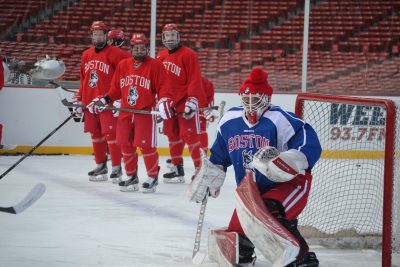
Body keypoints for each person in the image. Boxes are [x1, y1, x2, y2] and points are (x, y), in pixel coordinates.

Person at [188, 68, 322, 266]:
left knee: (269, 211)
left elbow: (309, 143)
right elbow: (219, 156)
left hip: (289, 186)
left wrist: (289, 159)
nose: (251, 104)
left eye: (256, 99)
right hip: (251, 193)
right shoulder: (229, 121)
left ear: (267, 98)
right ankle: (248, 254)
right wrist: (209, 175)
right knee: (236, 240)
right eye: (247, 98)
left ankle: (302, 258)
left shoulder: (280, 118)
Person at [87, 33, 172, 193]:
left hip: (144, 112)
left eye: (142, 48)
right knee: (125, 145)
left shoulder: (155, 65)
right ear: (131, 49)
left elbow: (163, 87)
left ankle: (152, 177)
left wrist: (164, 101)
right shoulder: (123, 65)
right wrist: (103, 100)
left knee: (146, 146)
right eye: (136, 48)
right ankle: (131, 176)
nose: (139, 51)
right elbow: (115, 90)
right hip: (125, 112)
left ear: (146, 48)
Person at [74, 21, 130, 182]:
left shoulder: (118, 54)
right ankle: (101, 165)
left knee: (111, 135)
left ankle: (117, 168)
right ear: (91, 35)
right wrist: (79, 97)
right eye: (95, 34)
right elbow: (83, 79)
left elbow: (127, 76)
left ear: (106, 36)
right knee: (95, 134)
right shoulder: (86, 54)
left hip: (108, 102)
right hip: (90, 102)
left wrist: (121, 98)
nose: (98, 36)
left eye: (101, 34)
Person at [157, 23, 207, 183]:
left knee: (190, 136)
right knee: (172, 136)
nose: (170, 38)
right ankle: (177, 170)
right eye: (167, 35)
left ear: (178, 36)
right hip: (168, 104)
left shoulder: (189, 54)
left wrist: (192, 99)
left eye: (173, 35)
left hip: (184, 103)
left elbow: (194, 78)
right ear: (163, 37)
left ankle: (200, 171)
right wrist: (160, 100)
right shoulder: (161, 55)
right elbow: (158, 81)